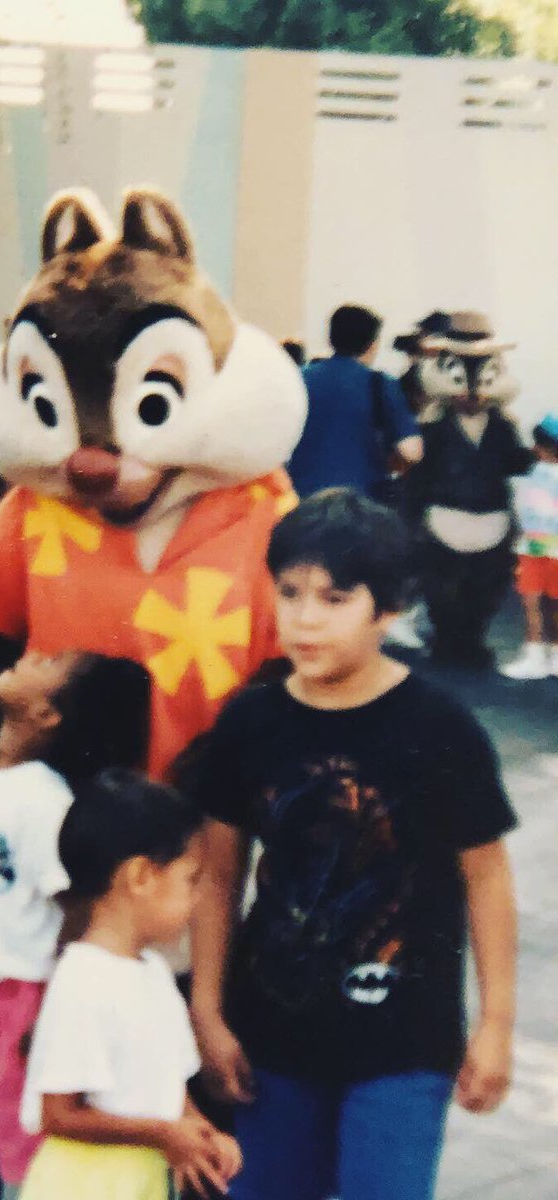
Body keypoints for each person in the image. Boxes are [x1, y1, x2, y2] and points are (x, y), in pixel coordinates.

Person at [188, 489, 518, 1200]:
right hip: (271, 1031)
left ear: (388, 609)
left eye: (335, 599)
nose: (305, 618)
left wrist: (496, 1024)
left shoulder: (439, 728)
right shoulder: (250, 721)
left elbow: (488, 878)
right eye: (290, 593)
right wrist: (208, 1012)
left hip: (404, 1039)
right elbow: (217, 876)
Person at [0, 651, 152, 1200]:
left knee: (26, 1153)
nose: (31, 654)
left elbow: (77, 905)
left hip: (22, 1000)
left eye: (49, 661)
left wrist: (57, 1004)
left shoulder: (45, 802)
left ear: (45, 714)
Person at [19, 769, 242, 1200]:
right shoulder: (84, 980)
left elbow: (165, 1086)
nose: (198, 898)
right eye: (190, 880)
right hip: (84, 1186)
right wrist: (164, 1134)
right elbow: (59, 1114)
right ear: (140, 876)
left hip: (139, 1180)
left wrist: (202, 1132)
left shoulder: (153, 973)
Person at [287, 305, 422, 500]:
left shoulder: (298, 379)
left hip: (301, 497)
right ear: (372, 344)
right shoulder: (379, 383)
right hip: (360, 500)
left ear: (330, 339)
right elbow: (411, 451)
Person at [500, 414, 558, 679]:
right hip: (543, 547)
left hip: (538, 548)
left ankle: (539, 656)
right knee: (548, 603)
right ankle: (549, 655)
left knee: (535, 603)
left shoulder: (537, 473)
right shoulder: (536, 471)